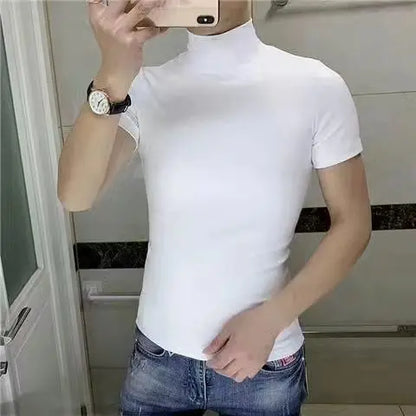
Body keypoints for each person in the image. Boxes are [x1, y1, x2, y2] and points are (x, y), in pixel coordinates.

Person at [57, 0, 372, 414]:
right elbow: (75, 196)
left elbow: (353, 224)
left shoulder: (317, 86)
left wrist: (272, 319)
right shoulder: (141, 89)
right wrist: (112, 74)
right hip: (158, 357)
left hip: (264, 359)